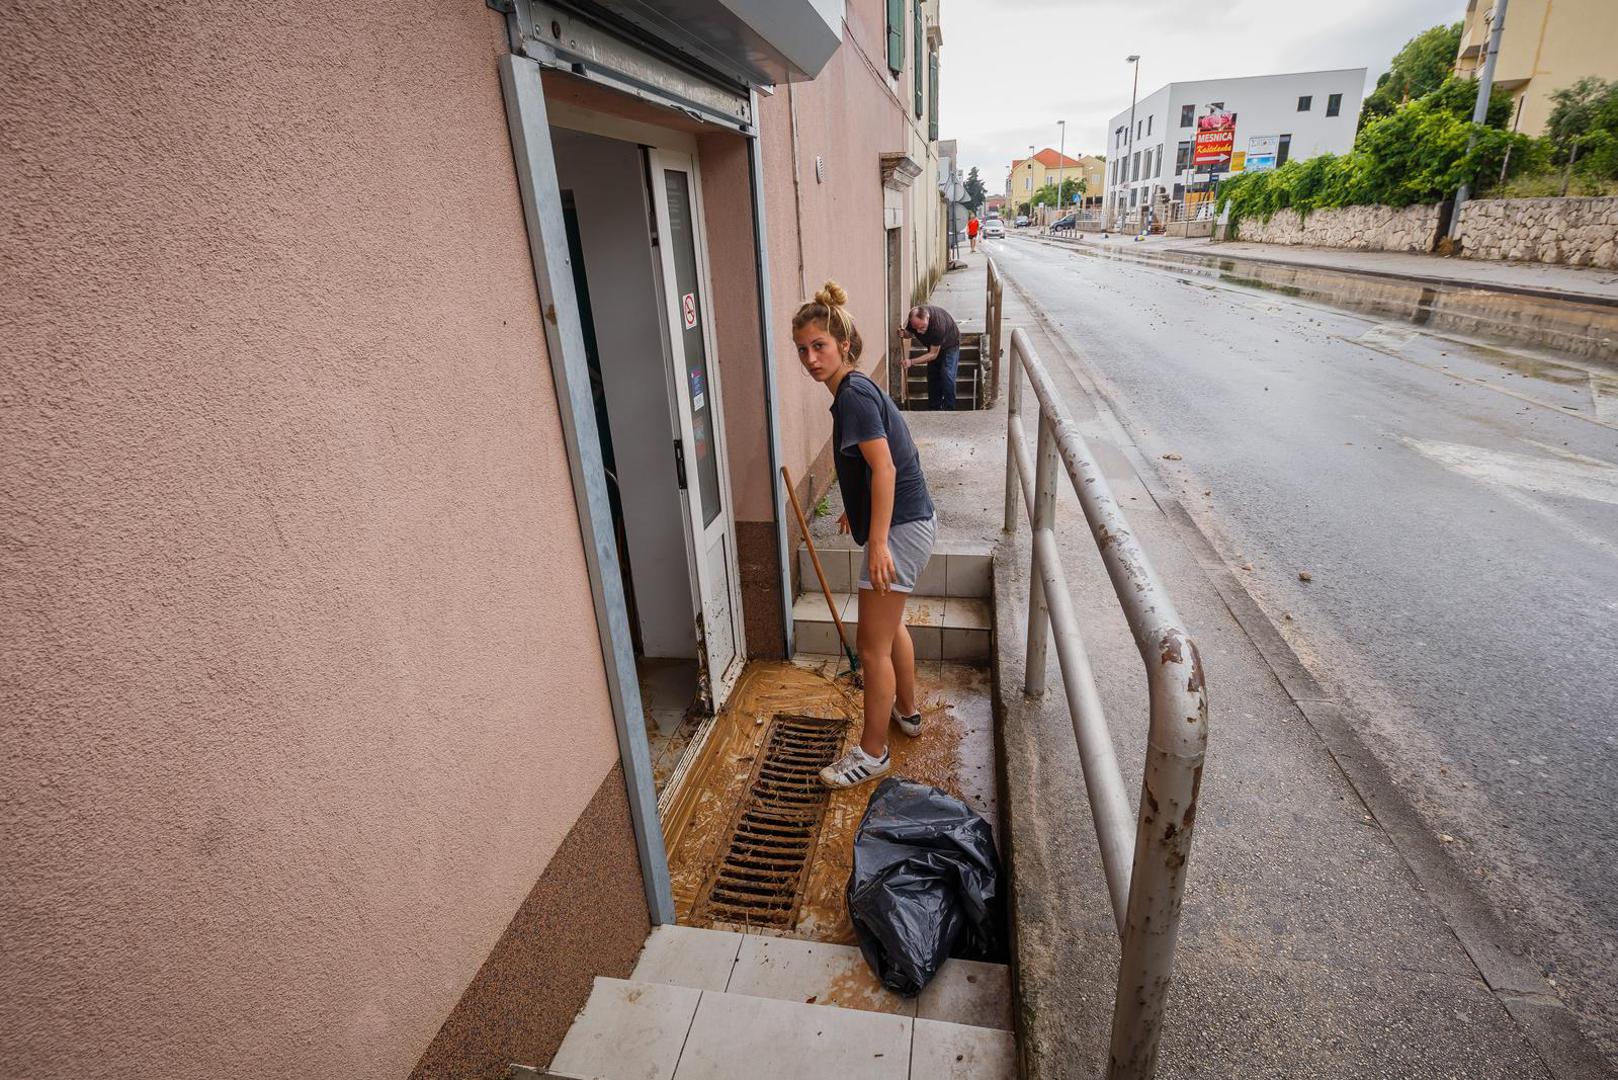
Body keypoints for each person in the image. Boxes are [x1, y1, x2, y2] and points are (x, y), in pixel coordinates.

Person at [792, 281, 937, 790]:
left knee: (871, 647)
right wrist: (858, 512)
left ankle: (872, 753)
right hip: (911, 520)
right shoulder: (856, 389)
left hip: (901, 528)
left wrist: (877, 541)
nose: (811, 358)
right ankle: (908, 711)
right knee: (890, 626)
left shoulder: (852, 396)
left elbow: (886, 469)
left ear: (844, 344)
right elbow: (875, 464)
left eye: (819, 346)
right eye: (803, 350)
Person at [899, 303, 961, 411]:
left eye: (922, 327)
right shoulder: (915, 320)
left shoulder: (937, 327)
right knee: (933, 376)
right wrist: (904, 334)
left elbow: (933, 354)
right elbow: (910, 333)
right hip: (933, 345)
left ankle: (950, 409)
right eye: (916, 328)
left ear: (927, 317)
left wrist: (911, 361)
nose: (919, 331)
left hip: (950, 345)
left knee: (947, 374)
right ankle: (934, 409)